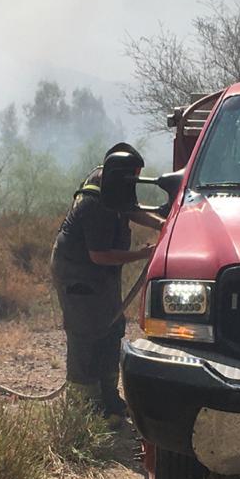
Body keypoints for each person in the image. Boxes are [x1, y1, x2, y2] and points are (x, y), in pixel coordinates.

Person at [51, 143, 163, 421]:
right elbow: (100, 255)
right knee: (87, 333)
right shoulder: (94, 204)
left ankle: (109, 397)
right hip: (79, 274)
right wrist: (142, 254)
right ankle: (85, 409)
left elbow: (131, 210)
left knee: (111, 328)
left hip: (100, 277)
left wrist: (163, 224)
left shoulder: (114, 189)